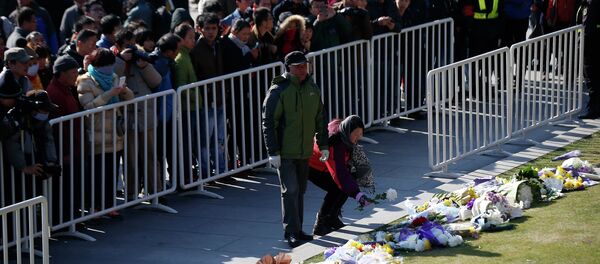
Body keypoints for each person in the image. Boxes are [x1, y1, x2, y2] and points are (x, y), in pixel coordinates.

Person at [262, 51, 328, 247]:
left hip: (304, 150)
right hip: (285, 151)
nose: (302, 69)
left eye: (304, 65)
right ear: (288, 68)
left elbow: (320, 118)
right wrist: (273, 152)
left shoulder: (312, 88)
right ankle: (291, 231)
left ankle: (298, 230)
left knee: (300, 190)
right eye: (298, 66)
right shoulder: (278, 90)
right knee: (290, 190)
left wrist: (323, 145)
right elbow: (268, 122)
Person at [77, 48, 134, 217]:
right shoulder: (85, 81)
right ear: (96, 64)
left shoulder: (114, 77)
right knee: (96, 173)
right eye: (105, 65)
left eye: (111, 64)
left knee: (112, 171)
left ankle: (109, 205)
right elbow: (88, 106)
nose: (109, 68)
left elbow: (130, 99)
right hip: (96, 135)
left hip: (115, 133)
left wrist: (123, 91)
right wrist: (110, 93)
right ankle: (94, 206)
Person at [308, 115, 373, 235]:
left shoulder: (343, 132)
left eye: (360, 135)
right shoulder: (335, 143)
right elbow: (339, 174)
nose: (357, 139)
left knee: (348, 180)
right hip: (312, 166)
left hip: (325, 165)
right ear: (348, 131)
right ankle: (321, 223)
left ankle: (332, 217)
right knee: (337, 187)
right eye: (355, 135)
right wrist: (357, 194)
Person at [47, 55, 84, 223]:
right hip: (65, 151)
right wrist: (65, 152)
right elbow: (57, 129)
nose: (77, 74)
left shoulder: (67, 89)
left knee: (73, 185)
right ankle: (63, 221)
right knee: (64, 189)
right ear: (62, 73)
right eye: (73, 71)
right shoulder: (54, 94)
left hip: (74, 147)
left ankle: (72, 218)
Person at [579, 0, 600, 119]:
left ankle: (594, 109)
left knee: (592, 76)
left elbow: (588, 25)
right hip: (591, 42)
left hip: (592, 43)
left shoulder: (593, 3)